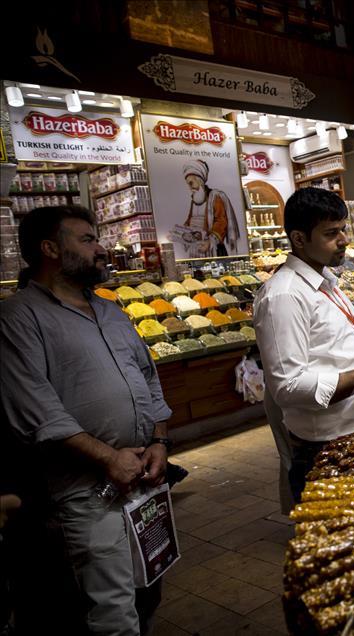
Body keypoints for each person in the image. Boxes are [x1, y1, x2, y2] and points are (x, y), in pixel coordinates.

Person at [1, 205, 172, 635]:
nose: (102, 249)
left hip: (143, 476)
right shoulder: (19, 317)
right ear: (50, 249)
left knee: (148, 586)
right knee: (110, 609)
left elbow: (148, 377)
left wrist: (159, 440)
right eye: (88, 239)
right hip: (85, 489)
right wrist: (108, 458)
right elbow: (36, 409)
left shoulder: (111, 310)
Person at [254, 188, 354, 500]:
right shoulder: (284, 296)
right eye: (331, 233)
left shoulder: (326, 281)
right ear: (299, 239)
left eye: (343, 229)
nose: (344, 239)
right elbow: (287, 387)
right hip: (327, 445)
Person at [179, 159, 241, 258]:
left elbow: (221, 221)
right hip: (196, 248)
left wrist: (209, 241)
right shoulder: (194, 199)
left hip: (212, 248)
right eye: (188, 184)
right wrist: (180, 232)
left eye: (191, 183)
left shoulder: (215, 196)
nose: (190, 188)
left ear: (199, 180)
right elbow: (190, 220)